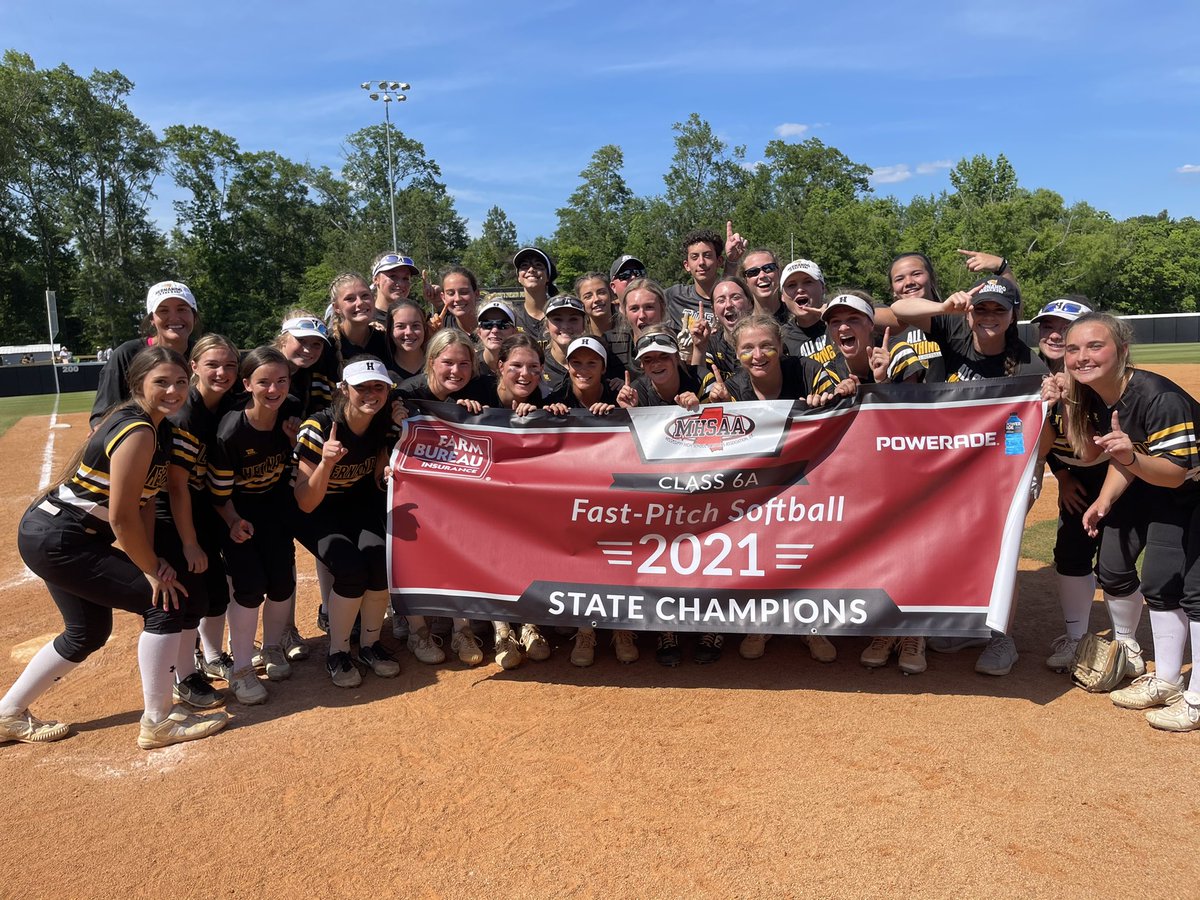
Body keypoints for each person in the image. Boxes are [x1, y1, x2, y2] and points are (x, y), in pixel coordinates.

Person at [1, 346, 229, 749]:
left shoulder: (155, 429)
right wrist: (149, 569)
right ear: (137, 383)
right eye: (161, 382)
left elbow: (141, 505)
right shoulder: (139, 430)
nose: (174, 390)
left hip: (54, 534)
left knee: (87, 631)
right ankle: (158, 722)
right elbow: (122, 517)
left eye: (179, 382)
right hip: (61, 539)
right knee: (163, 603)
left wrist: (154, 558)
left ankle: (7, 714)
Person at [1045, 313, 1200, 731]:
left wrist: (1129, 457)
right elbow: (1119, 456)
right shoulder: (1096, 395)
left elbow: (1174, 471)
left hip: (1187, 487)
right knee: (1156, 581)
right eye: (1074, 349)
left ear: (1122, 349)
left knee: (1195, 591)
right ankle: (1167, 681)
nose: (1082, 357)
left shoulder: (1157, 396)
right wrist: (1105, 498)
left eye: (1095, 346)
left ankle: (1198, 698)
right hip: (1166, 488)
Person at [891, 275, 1048, 676]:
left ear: (1015, 315)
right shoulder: (953, 335)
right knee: (950, 543)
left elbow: (1025, 427)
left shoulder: (1028, 362)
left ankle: (1002, 639)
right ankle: (964, 620)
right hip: (952, 470)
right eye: (982, 308)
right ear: (971, 312)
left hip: (1008, 466)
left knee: (1002, 548)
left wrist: (1013, 470)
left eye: (999, 309)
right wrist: (945, 308)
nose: (989, 316)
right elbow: (897, 310)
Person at [1033, 298, 1145, 674]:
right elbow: (1044, 450)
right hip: (1076, 478)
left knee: (1116, 561)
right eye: (1047, 326)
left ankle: (1127, 642)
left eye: (1064, 327)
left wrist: (1068, 402)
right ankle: (1076, 638)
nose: (1054, 333)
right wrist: (1063, 476)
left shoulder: (1108, 382)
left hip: (1122, 474)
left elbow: (1098, 446)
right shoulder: (1040, 383)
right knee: (1070, 553)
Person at [295, 357, 401, 687]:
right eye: (362, 388)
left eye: (378, 387)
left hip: (356, 505)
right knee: (350, 568)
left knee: (380, 561)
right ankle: (338, 651)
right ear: (344, 389)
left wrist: (387, 471)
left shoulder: (382, 422)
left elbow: (376, 478)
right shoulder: (319, 426)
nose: (371, 394)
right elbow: (305, 501)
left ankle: (370, 645)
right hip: (317, 510)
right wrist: (326, 462)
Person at [208, 347, 302, 704]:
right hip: (236, 511)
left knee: (282, 583)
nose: (274, 389)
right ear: (247, 383)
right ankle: (242, 668)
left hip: (275, 509)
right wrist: (233, 522)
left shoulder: (291, 409)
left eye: (281, 380)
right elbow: (218, 493)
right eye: (264, 382)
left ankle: (274, 647)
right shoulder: (231, 431)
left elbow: (297, 463)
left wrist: (294, 442)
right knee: (248, 587)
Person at [165, 335, 243, 707]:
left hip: (203, 506)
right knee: (188, 597)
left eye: (230, 365)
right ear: (193, 367)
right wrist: (189, 541)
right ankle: (184, 675)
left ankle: (211, 658)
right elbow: (176, 488)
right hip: (172, 513)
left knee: (215, 594)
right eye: (213, 364)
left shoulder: (226, 404)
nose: (223, 372)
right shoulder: (184, 414)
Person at [91, 281, 199, 428]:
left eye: (182, 309)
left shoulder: (204, 356)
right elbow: (103, 417)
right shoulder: (127, 354)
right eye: (163, 310)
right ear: (152, 319)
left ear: (194, 315)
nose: (174, 317)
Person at [778, 259, 832, 360]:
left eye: (807, 282)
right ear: (782, 297)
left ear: (823, 287)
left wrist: (832, 320)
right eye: (791, 285)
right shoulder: (781, 338)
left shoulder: (843, 323)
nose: (800, 289)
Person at [540, 296, 591, 393]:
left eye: (573, 319)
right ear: (547, 325)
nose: (565, 326)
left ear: (584, 324)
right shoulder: (537, 363)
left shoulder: (597, 361)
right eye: (557, 319)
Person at [511, 247, 556, 344]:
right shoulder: (512, 317)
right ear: (519, 277)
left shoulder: (560, 312)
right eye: (524, 266)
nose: (531, 269)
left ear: (548, 276)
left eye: (538, 265)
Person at [385, 299, 431, 382]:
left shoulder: (438, 365)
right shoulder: (383, 371)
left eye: (415, 325)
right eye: (400, 326)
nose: (409, 332)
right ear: (390, 330)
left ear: (424, 328)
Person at [429, 266, 481, 336]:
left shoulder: (493, 324)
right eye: (451, 293)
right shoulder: (441, 327)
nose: (457, 298)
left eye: (464, 292)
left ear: (476, 294)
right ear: (443, 298)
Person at [740, 249, 788, 324]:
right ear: (745, 281)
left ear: (779, 272)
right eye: (753, 272)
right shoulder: (743, 327)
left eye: (769, 268)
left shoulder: (797, 318)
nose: (762, 275)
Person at [371, 251, 421, 319]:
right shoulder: (365, 320)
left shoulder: (414, 319)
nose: (401, 284)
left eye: (405, 278)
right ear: (376, 280)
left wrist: (438, 304)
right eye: (393, 276)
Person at [475, 299, 518, 375]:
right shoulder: (469, 365)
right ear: (479, 332)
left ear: (514, 332)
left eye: (503, 325)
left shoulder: (522, 366)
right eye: (487, 324)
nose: (494, 330)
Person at [576, 272, 617, 337]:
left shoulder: (630, 327)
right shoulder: (576, 334)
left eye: (601, 293)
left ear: (611, 294)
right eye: (588, 296)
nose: (596, 299)